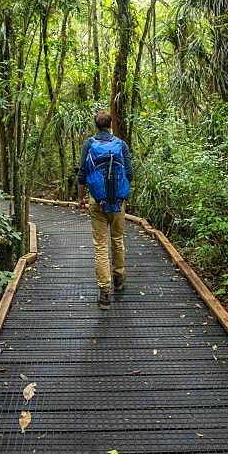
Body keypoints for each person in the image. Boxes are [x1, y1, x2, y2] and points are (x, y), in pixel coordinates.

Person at [77, 109, 133, 309]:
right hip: (118, 202)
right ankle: (118, 278)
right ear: (111, 124)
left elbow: (82, 174)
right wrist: (123, 193)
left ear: (96, 125)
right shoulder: (121, 145)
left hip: (97, 201)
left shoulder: (89, 144)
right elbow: (129, 173)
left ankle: (104, 293)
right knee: (117, 239)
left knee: (100, 245)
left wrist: (80, 198)